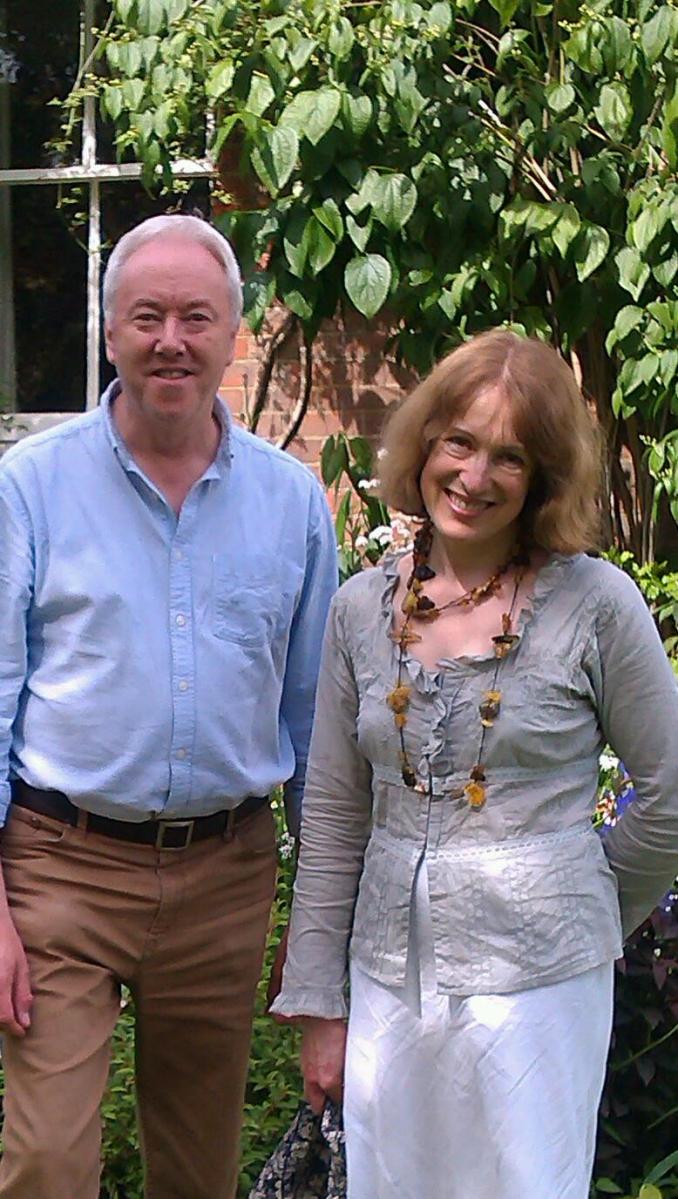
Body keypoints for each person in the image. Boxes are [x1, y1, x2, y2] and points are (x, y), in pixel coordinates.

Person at [270, 330, 678, 1199]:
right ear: (424, 443)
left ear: (542, 478)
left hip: (539, 986)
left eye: (509, 457)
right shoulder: (359, 609)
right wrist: (320, 1003)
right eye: (459, 441)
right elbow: (338, 811)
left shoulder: (595, 605)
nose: (474, 475)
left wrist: (587, 898)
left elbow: (674, 790)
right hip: (387, 982)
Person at [0, 214, 337, 1199]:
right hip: (61, 868)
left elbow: (319, 729)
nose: (171, 340)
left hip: (225, 875)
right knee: (49, 1162)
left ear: (236, 333)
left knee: (199, 1168)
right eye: (146, 316)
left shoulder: (292, 504)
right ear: (109, 332)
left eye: (198, 316)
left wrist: (315, 925)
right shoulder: (28, 488)